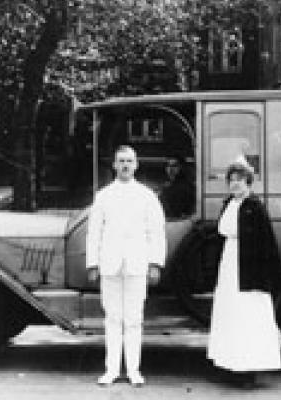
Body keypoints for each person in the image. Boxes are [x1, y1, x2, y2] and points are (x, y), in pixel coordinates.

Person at [86, 145, 166, 387]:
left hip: (137, 264)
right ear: (114, 165)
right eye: (121, 161)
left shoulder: (147, 195)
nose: (125, 166)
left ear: (137, 165)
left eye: (129, 161)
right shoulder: (103, 196)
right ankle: (111, 370)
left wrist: (155, 263)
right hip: (110, 264)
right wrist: (93, 263)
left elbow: (157, 232)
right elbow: (94, 233)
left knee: (133, 318)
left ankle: (133, 370)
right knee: (112, 318)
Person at [207, 157, 281, 388]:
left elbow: (267, 243)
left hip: (249, 271)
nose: (235, 184)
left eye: (240, 180)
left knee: (247, 319)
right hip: (229, 265)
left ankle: (248, 372)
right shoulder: (229, 203)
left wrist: (268, 277)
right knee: (230, 316)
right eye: (231, 180)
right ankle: (230, 366)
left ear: (248, 182)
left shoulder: (254, 207)